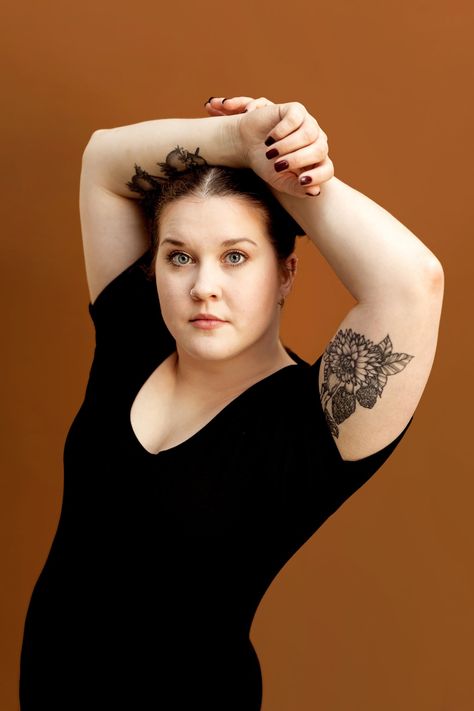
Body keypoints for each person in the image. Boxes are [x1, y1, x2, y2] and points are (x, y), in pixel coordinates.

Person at [18, 95, 444, 710]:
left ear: (287, 272)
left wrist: (288, 174)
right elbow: (103, 159)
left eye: (236, 257)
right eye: (180, 257)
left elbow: (412, 281)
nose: (203, 286)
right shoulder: (134, 334)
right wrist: (239, 138)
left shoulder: (319, 421)